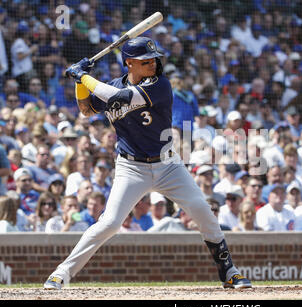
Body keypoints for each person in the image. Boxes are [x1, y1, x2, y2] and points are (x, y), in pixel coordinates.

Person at [43, 36, 251, 290]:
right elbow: (86, 109)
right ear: (129, 63)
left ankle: (229, 270)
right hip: (131, 168)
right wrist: (80, 83)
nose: (153, 63)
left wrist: (84, 77)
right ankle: (62, 272)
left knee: (202, 211)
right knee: (109, 223)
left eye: (154, 59)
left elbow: (119, 97)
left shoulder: (160, 85)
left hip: (168, 165)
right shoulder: (109, 85)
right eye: (145, 61)